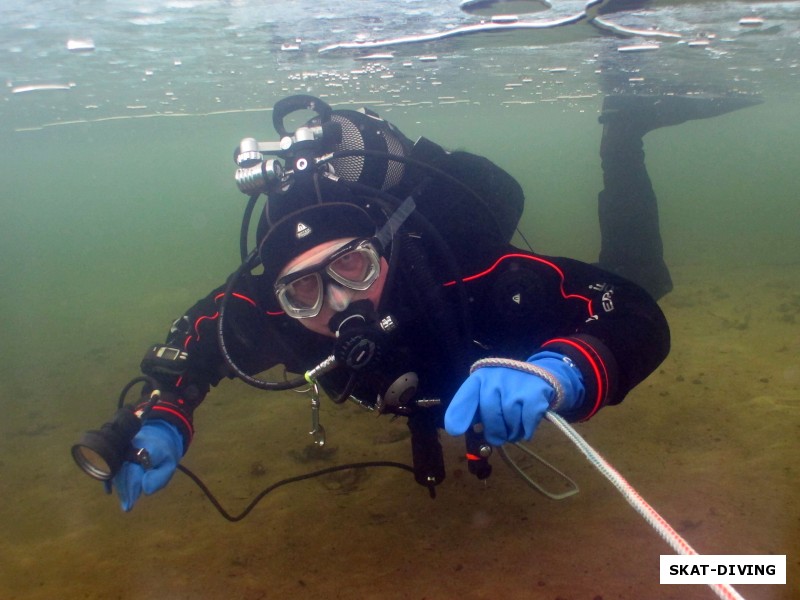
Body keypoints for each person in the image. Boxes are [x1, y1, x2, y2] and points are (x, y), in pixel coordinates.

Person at [77, 91, 757, 510]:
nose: (338, 302)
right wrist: (166, 413)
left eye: (352, 263)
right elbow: (195, 344)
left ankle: (624, 128)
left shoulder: (470, 276)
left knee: (640, 269)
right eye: (305, 287)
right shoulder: (273, 311)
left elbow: (634, 311)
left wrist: (561, 370)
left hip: (505, 343)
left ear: (384, 251)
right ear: (277, 293)